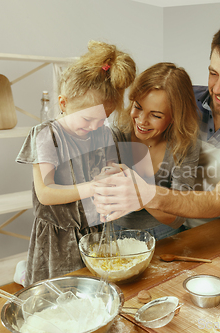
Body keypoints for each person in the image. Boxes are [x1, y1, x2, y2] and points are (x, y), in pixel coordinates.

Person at [93, 21, 220, 224]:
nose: (217, 88)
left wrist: (144, 194)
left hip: (215, 228)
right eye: (213, 73)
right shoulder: (179, 97)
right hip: (165, 226)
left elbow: (219, 199)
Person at [15, 40, 136, 285]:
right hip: (58, 238)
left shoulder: (103, 133)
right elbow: (46, 193)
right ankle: (25, 272)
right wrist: (94, 187)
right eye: (87, 119)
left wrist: (116, 173)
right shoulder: (46, 136)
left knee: (94, 292)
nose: (94, 127)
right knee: (60, 296)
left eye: (103, 119)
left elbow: (110, 167)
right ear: (63, 103)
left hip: (95, 230)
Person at [108, 62, 200, 240]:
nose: (141, 121)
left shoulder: (185, 144)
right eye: (138, 107)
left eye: (156, 115)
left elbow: (177, 217)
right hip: (114, 233)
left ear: (175, 116)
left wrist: (141, 195)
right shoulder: (118, 132)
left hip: (165, 236)